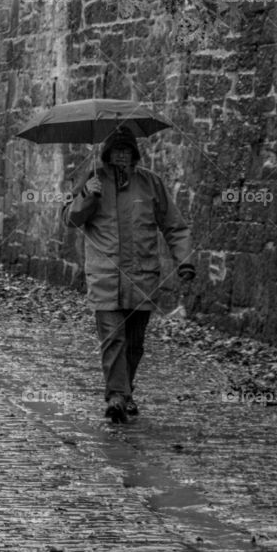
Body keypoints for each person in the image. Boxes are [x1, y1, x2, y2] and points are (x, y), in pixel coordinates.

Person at [61, 127, 196, 423]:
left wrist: (183, 261)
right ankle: (116, 398)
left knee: (134, 344)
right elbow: (69, 219)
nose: (121, 156)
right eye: (116, 151)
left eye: (126, 151)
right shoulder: (92, 179)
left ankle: (125, 392)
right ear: (108, 154)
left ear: (134, 155)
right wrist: (87, 195)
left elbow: (173, 225)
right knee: (113, 340)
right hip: (105, 277)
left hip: (143, 278)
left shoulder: (150, 183)